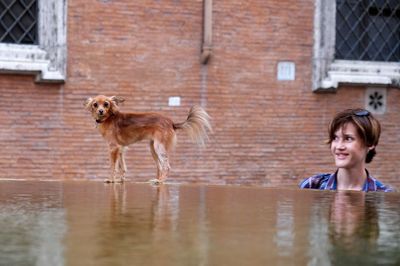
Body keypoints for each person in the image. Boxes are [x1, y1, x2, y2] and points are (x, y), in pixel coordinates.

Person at [299, 108, 393, 192]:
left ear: (370, 143)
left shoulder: (383, 196)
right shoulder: (312, 186)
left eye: (348, 138)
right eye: (335, 138)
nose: (339, 146)